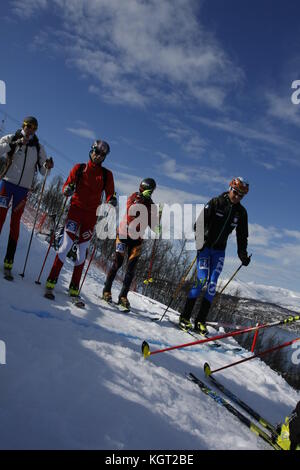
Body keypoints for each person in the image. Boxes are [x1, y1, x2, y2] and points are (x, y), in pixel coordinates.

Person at [45, 140, 116, 299]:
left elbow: (111, 193)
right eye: (96, 152)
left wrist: (112, 200)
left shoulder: (106, 175)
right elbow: (66, 186)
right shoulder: (79, 168)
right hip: (75, 212)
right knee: (65, 246)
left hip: (91, 217)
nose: (98, 156)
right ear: (91, 151)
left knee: (82, 250)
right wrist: (67, 190)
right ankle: (52, 280)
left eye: (102, 154)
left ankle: (74, 286)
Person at [179, 176, 251, 335]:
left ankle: (200, 321)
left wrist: (242, 254)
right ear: (231, 188)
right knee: (201, 279)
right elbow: (198, 224)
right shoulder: (216, 202)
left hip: (219, 251)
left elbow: (242, 235)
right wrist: (201, 239)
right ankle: (185, 317)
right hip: (205, 247)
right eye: (236, 193)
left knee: (212, 284)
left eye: (241, 195)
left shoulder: (241, 212)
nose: (238, 197)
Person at [0, 116, 53, 278]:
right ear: (23, 125)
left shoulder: (38, 147)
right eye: (28, 126)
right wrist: (14, 144)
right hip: (7, 184)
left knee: (15, 224)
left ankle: (9, 262)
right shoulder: (12, 137)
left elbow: (44, 171)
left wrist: (47, 166)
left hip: (22, 191)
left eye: (34, 128)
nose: (30, 130)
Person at [102, 178, 159, 311]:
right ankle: (107, 290)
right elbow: (130, 211)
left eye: (152, 190)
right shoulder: (134, 196)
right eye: (149, 189)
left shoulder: (151, 205)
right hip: (123, 235)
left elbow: (153, 226)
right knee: (118, 263)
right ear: (143, 188)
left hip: (137, 240)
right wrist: (141, 200)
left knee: (131, 269)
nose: (150, 192)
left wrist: (157, 222)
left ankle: (123, 296)